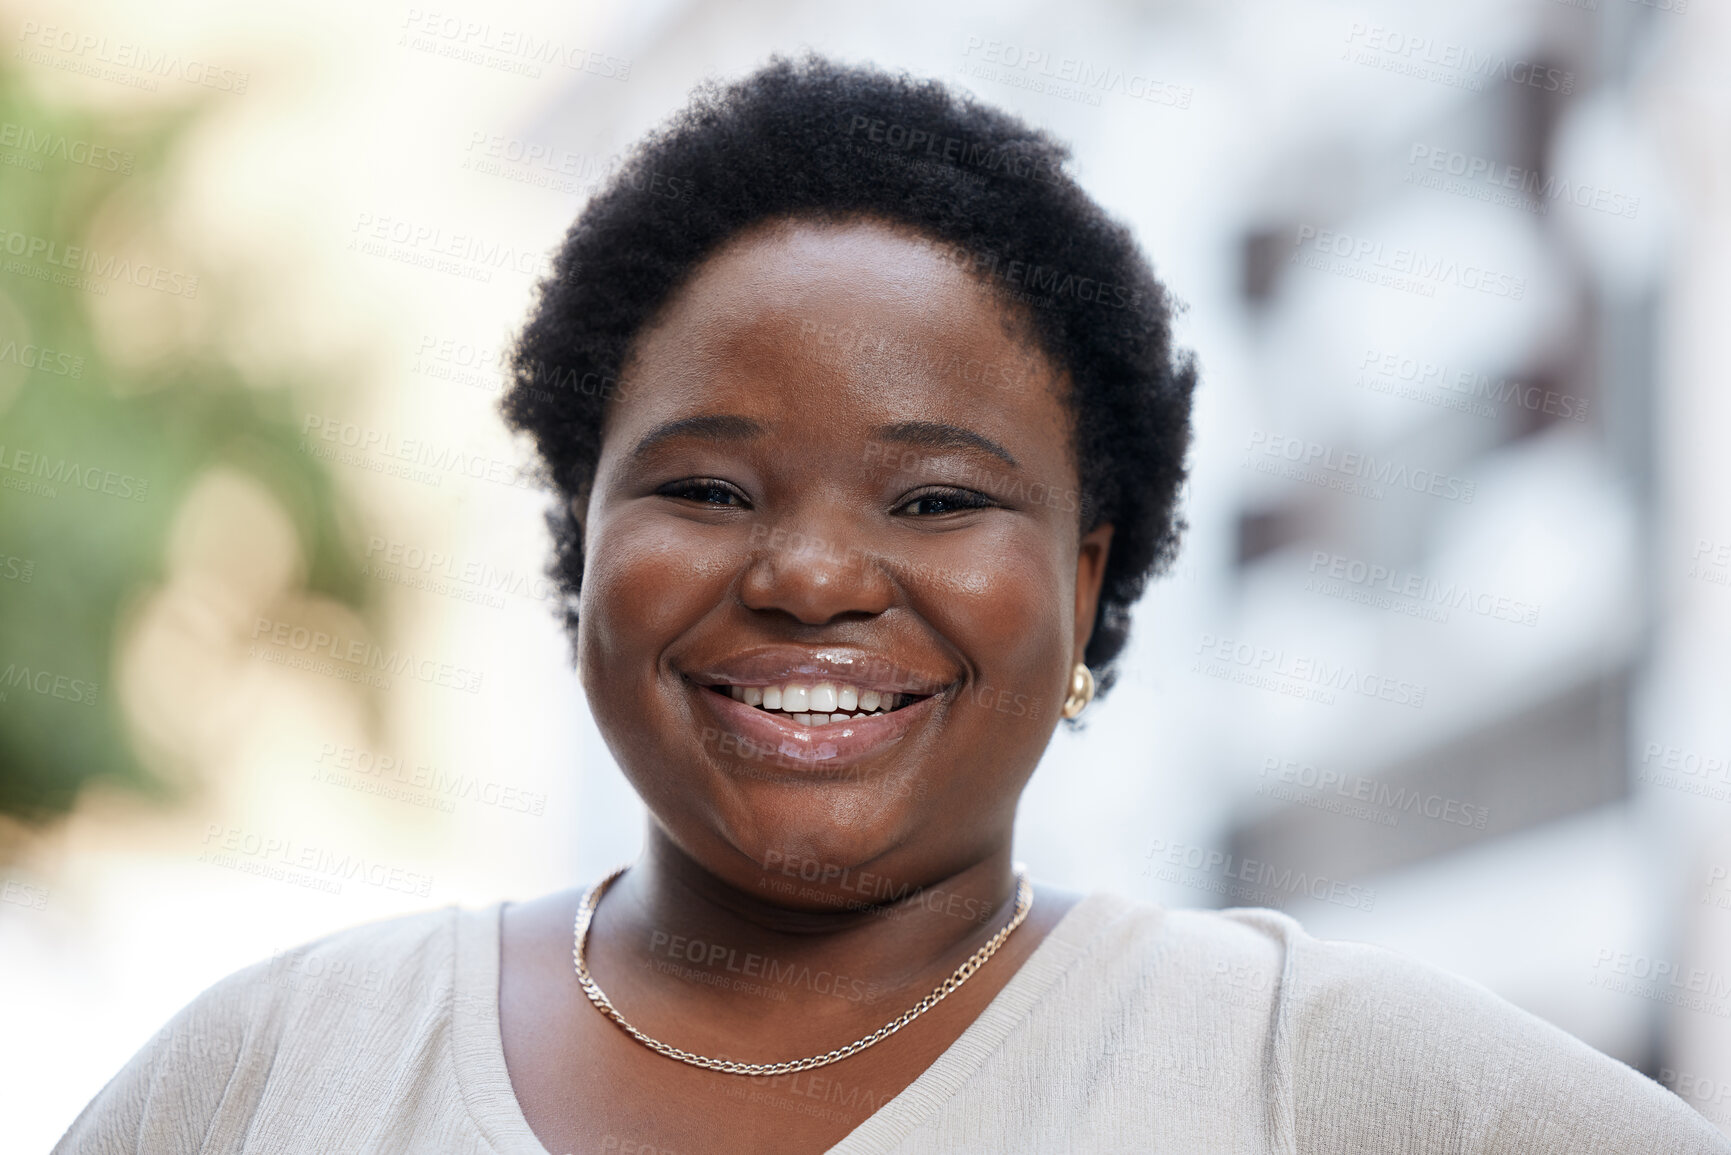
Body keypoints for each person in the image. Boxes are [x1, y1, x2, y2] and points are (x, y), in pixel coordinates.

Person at [56, 55, 1729, 1155]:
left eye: (936, 500)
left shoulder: (1310, 1077)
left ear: (1085, 577)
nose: (809, 576)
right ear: (586, 542)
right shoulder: (280, 1072)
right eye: (706, 489)